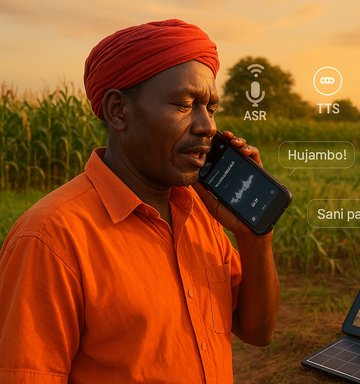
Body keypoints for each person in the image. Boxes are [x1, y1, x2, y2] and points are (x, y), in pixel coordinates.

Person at [0, 19, 280, 384]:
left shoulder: (199, 212)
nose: (207, 126)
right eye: (184, 104)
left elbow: (257, 332)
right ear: (118, 111)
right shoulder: (50, 238)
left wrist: (254, 232)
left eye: (210, 108)